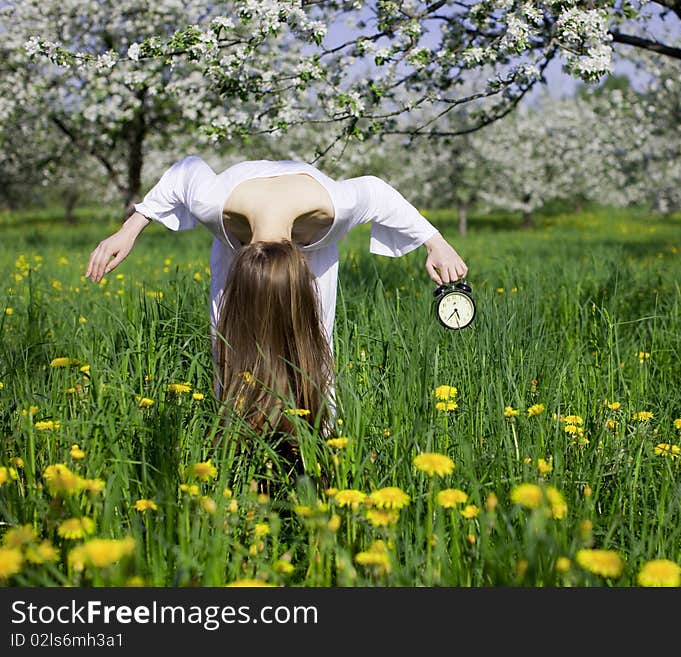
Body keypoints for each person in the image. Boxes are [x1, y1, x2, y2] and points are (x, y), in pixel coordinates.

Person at [85, 155, 468, 455]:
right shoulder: (212, 202)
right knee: (230, 343)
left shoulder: (334, 208)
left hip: (310, 236)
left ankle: (318, 436)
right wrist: (129, 228)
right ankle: (235, 430)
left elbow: (377, 191)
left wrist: (436, 243)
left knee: (313, 338)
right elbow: (185, 172)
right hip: (238, 228)